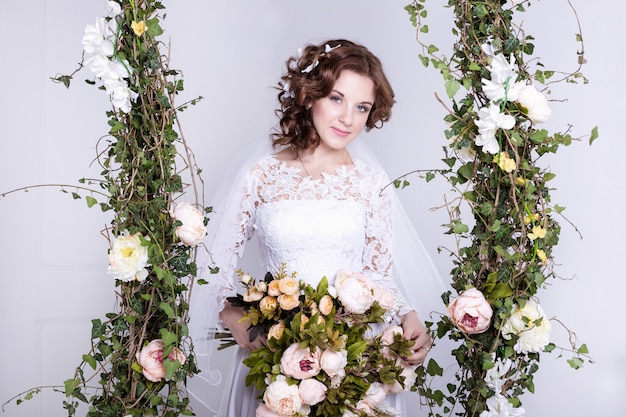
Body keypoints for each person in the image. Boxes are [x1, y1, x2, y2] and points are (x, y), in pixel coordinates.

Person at [189, 38, 443, 416]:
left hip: (355, 357)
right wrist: (229, 312)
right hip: (278, 353)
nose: (348, 119)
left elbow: (379, 276)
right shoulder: (261, 176)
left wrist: (407, 316)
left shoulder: (370, 184)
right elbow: (213, 264)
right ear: (309, 96)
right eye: (337, 99)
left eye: (362, 107)